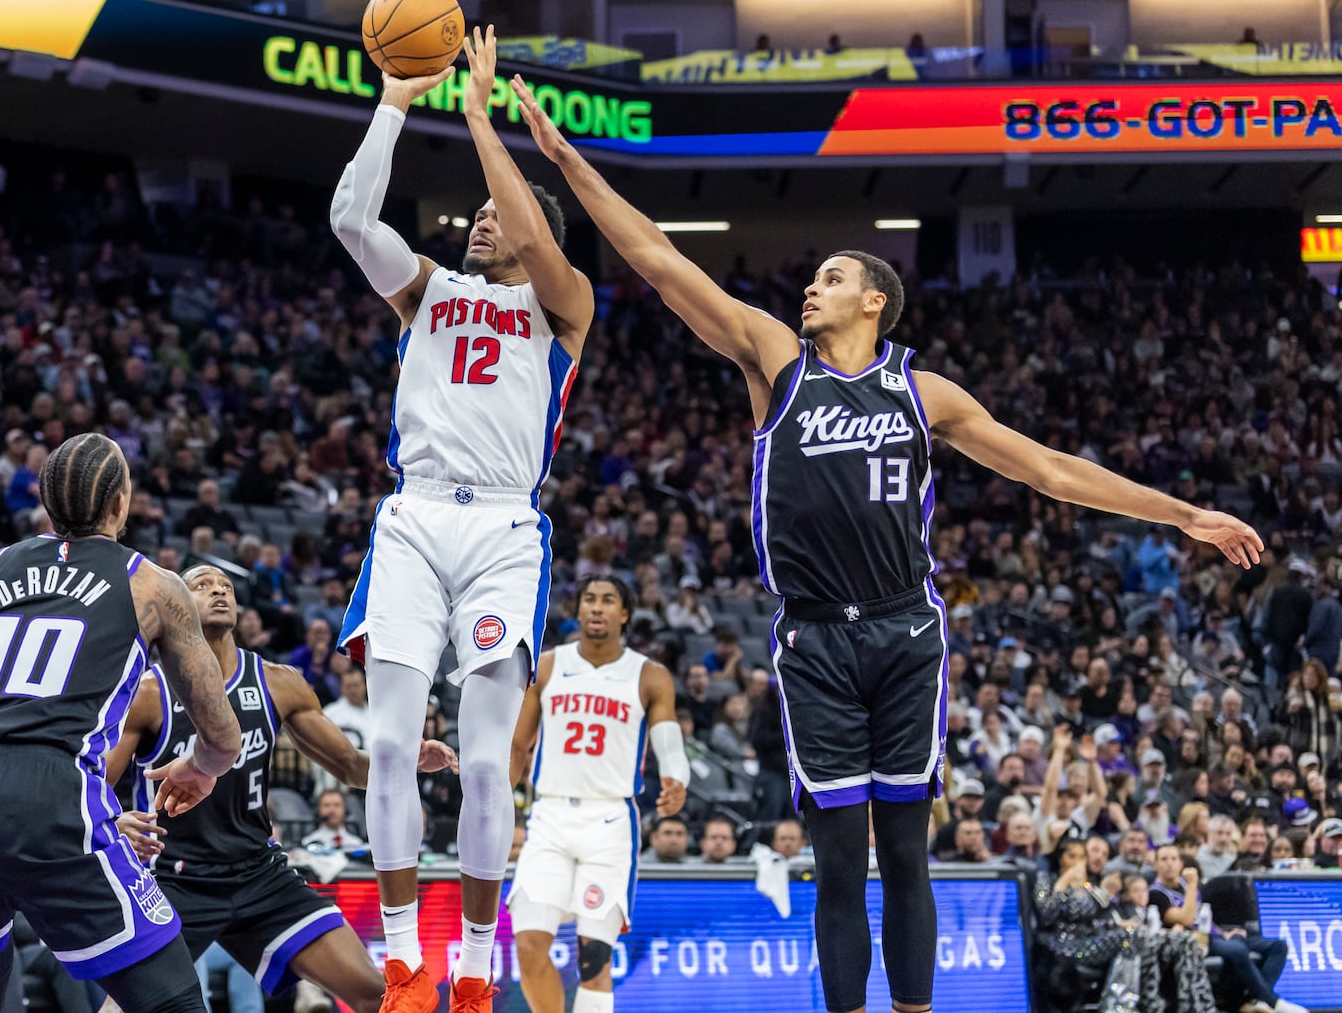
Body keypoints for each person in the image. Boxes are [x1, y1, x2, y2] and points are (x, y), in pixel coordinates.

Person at [510, 76, 1265, 1013]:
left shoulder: (923, 390)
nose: (808, 288)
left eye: (828, 278)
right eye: (811, 278)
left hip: (907, 633)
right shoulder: (773, 364)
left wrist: (1184, 515)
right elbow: (659, 259)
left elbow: (1049, 470)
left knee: (907, 854)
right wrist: (565, 159)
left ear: (873, 300)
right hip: (815, 639)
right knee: (836, 866)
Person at [328, 27, 594, 1013]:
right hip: (413, 522)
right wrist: (398, 100)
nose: (484, 221)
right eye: (477, 212)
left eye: (500, 213)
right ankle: (406, 960)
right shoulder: (428, 291)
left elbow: (533, 236)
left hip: (500, 535)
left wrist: (481, 118)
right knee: (390, 744)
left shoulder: (564, 306)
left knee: (484, 759)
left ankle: (476, 968)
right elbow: (352, 218)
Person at [0, 432, 244, 1013]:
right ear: (120, 505)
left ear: (46, 502)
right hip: (51, 794)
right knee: (174, 1000)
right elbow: (221, 738)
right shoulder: (152, 584)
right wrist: (199, 769)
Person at [107, 564, 454, 1013]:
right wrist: (113, 820)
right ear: (176, 602)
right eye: (202, 585)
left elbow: (349, 766)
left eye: (226, 587)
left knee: (379, 996)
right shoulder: (147, 692)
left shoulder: (277, 681)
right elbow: (90, 783)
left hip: (258, 875)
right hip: (172, 880)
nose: (218, 592)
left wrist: (406, 763)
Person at [506, 576, 687, 1013]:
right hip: (548, 818)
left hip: (609, 824)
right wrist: (491, 798)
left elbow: (667, 737)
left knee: (595, 961)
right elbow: (517, 745)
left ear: (624, 613)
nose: (597, 608)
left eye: (608, 600)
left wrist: (676, 777)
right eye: (589, 599)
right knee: (528, 946)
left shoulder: (650, 674)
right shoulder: (547, 667)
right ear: (578, 609)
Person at [1035, 834, 1215, 1013]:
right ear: (1059, 858)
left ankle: (1198, 1005)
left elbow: (1100, 916)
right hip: (1069, 944)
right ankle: (1128, 1006)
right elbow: (1046, 915)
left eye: (1082, 857)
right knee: (1133, 936)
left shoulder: (1088, 885)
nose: (1078, 862)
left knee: (1182, 939)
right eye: (1071, 856)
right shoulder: (1047, 879)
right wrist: (1065, 882)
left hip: (1097, 937)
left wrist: (1116, 922)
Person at [1149, 843, 1304, 1013]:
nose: (1169, 863)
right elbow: (1186, 919)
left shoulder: (1185, 885)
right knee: (1237, 950)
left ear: (1180, 863)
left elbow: (1203, 915)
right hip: (1195, 942)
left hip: (1213, 934)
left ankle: (1256, 1000)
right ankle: (1271, 1001)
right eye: (1164, 859)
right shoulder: (1157, 894)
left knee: (1278, 946)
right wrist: (1193, 885)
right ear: (1156, 864)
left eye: (1173, 859)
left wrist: (1224, 932)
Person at [303, 788, 367, 853]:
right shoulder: (308, 844)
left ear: (345, 809)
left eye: (337, 805)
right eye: (327, 805)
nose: (332, 810)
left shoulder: (357, 844)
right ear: (318, 809)